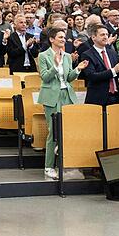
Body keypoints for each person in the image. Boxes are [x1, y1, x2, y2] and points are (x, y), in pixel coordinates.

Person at [37, 27, 89, 180]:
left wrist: (78, 69)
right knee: (53, 132)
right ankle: (48, 167)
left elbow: (69, 77)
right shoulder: (43, 55)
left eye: (64, 37)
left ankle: (66, 164)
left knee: (68, 131)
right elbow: (45, 78)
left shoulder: (67, 56)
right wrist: (55, 65)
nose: (63, 39)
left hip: (67, 95)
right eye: (60, 37)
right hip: (51, 97)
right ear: (52, 39)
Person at [78, 24, 119, 106]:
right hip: (98, 98)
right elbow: (92, 76)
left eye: (106, 35)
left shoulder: (112, 52)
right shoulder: (87, 54)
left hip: (116, 96)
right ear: (93, 37)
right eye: (102, 35)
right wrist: (114, 70)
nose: (105, 37)